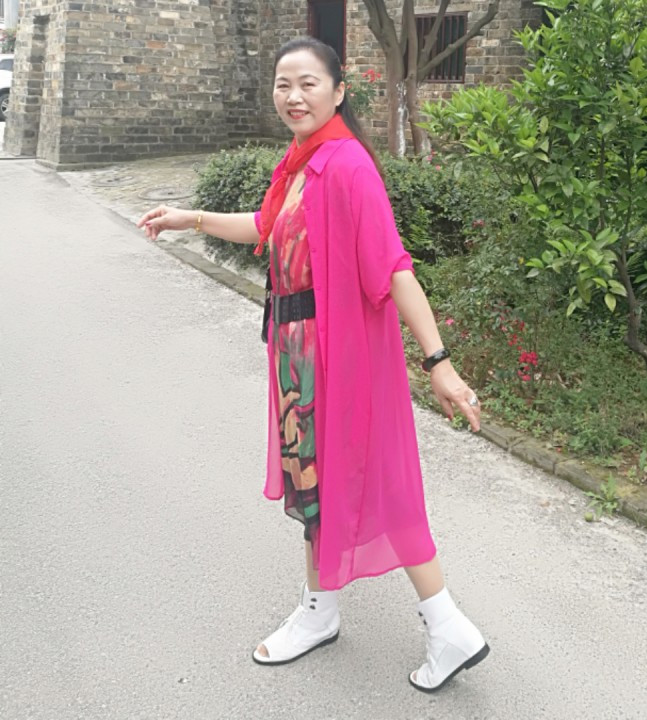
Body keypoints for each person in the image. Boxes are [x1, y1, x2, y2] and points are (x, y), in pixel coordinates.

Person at [137, 37, 489, 693]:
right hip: (298, 354)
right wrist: (190, 218)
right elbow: (266, 226)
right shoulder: (301, 163)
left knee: (374, 479)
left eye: (308, 84)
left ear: (338, 92)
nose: (293, 96)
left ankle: (442, 623)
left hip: (334, 357)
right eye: (283, 84)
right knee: (314, 485)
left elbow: (394, 267)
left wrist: (438, 361)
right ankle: (329, 611)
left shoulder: (347, 166)